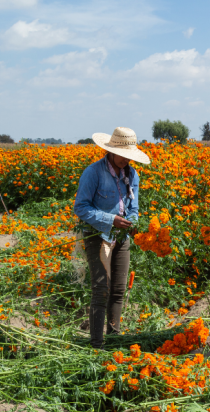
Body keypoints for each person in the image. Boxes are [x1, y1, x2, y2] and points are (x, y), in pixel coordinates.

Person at [73, 127, 150, 348]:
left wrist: (133, 221)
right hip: (98, 236)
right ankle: (97, 344)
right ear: (111, 151)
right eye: (123, 156)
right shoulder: (94, 172)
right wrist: (110, 220)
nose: (126, 160)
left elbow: (133, 207)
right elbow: (81, 208)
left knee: (118, 288)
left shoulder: (132, 174)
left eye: (129, 156)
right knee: (101, 289)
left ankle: (114, 338)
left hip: (121, 237)